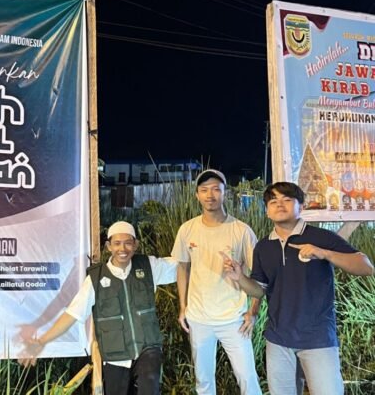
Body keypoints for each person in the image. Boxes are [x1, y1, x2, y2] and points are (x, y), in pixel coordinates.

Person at [224, 182, 374, 395]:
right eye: (273, 201)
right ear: (266, 211)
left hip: (317, 338)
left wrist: (325, 253)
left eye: (287, 199)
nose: (279, 204)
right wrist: (240, 278)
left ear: (301, 206)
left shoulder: (321, 237)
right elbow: (259, 290)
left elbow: (366, 267)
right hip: (278, 339)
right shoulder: (263, 247)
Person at [18, 221, 177, 395]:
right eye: (117, 243)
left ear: (135, 245)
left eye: (128, 243)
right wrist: (41, 341)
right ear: (109, 246)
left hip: (147, 348)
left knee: (150, 385)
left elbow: (182, 264)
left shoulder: (149, 266)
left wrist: (194, 244)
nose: (122, 249)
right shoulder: (96, 278)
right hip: (116, 355)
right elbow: (72, 314)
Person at [172, 169, 262, 395]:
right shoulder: (187, 229)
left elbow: (260, 277)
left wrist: (253, 311)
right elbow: (182, 267)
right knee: (203, 381)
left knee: (248, 378)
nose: (210, 195)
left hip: (235, 318)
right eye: (204, 190)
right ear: (197, 195)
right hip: (198, 318)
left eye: (215, 189)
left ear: (225, 193)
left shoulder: (242, 231)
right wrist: (183, 307)